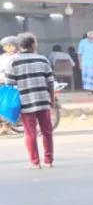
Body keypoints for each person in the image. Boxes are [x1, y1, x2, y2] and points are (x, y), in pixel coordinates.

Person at [5, 33, 57, 168]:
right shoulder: (43, 60)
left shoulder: (13, 61)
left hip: (26, 101)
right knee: (47, 131)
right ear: (34, 44)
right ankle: (48, 161)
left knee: (30, 132)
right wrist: (51, 100)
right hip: (43, 101)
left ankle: (35, 162)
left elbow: (9, 84)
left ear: (20, 45)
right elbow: (50, 83)